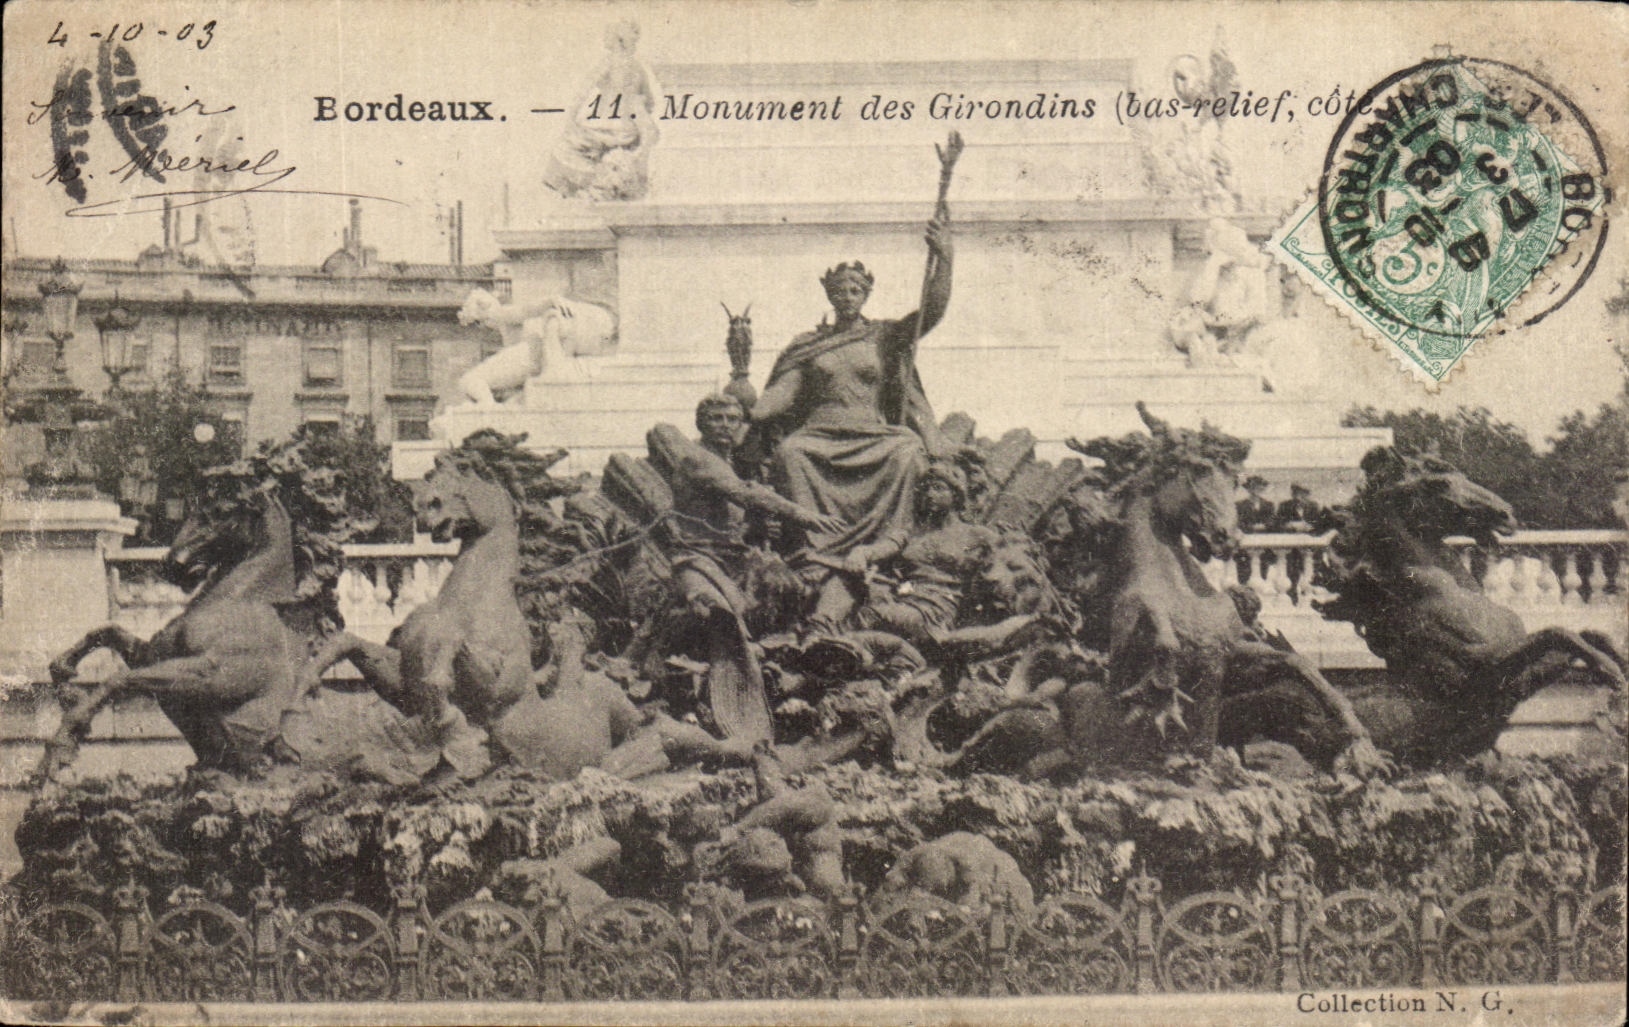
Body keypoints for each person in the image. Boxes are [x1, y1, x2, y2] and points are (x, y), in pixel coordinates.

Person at [737, 208, 955, 629]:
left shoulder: (885, 336)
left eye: (856, 288)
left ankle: (885, 549)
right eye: (841, 289)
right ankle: (812, 556)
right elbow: (780, 397)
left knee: (907, 451)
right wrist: (747, 392)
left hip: (874, 433)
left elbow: (933, 310)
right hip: (819, 434)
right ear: (830, 294)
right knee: (790, 453)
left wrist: (944, 257)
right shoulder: (809, 345)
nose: (848, 295)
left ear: (866, 294)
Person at [646, 394, 844, 740]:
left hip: (733, 562)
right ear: (701, 424)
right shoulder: (698, 459)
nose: (725, 425)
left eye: (733, 419)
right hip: (697, 560)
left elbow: (733, 515)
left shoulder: (727, 459)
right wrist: (804, 514)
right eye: (717, 418)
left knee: (789, 594)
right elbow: (746, 493)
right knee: (719, 615)